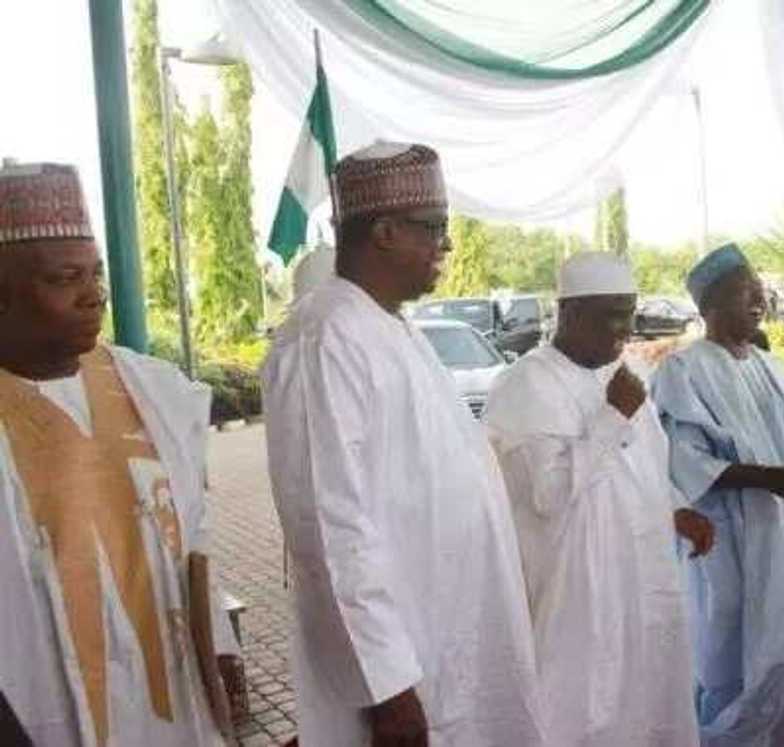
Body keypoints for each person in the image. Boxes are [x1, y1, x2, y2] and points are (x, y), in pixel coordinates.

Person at [261, 142, 544, 747]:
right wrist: (387, 686)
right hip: (401, 670)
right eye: (435, 228)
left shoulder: (391, 325)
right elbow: (331, 525)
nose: (447, 245)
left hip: (448, 632)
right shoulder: (326, 335)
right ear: (384, 231)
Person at [0, 161, 239, 746]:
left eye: (97, 273)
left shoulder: (151, 389)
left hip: (175, 708)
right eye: (64, 278)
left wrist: (223, 645)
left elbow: (192, 533)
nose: (94, 295)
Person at [484, 252, 711, 747]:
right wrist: (611, 418)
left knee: (650, 707)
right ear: (569, 314)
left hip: (641, 580)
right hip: (576, 595)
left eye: (627, 314)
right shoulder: (525, 384)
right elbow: (547, 494)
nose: (623, 330)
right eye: (610, 315)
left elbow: (645, 465)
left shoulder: (621, 375)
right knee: (583, 712)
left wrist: (677, 509)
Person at [650, 243, 784, 747]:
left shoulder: (768, 366)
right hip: (735, 541)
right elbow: (684, 461)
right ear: (711, 304)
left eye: (761, 290)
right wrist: (767, 479)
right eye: (747, 291)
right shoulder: (684, 371)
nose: (760, 300)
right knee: (744, 655)